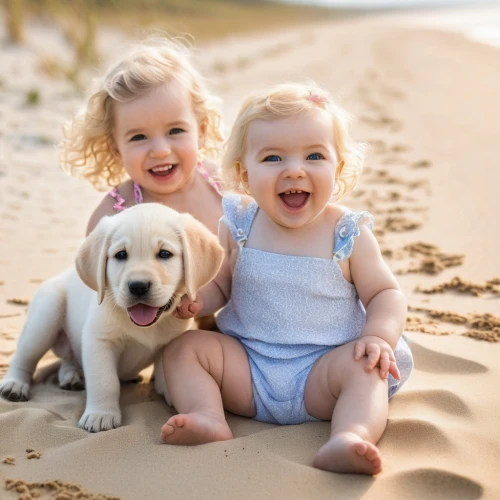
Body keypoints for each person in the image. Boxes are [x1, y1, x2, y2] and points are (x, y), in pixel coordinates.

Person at [159, 82, 413, 475]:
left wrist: (378, 336)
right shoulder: (239, 226)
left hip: (323, 375)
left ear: (339, 167)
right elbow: (221, 285)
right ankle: (208, 416)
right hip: (247, 369)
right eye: (273, 158)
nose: (294, 170)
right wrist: (198, 302)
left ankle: (350, 435)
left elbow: (386, 293)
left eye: (314, 156)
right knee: (185, 349)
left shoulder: (346, 233)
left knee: (366, 370)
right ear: (245, 174)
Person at [60, 36, 224, 236]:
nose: (161, 150)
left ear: (201, 131)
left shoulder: (223, 188)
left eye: (175, 131)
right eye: (139, 137)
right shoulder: (112, 218)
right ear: (115, 146)